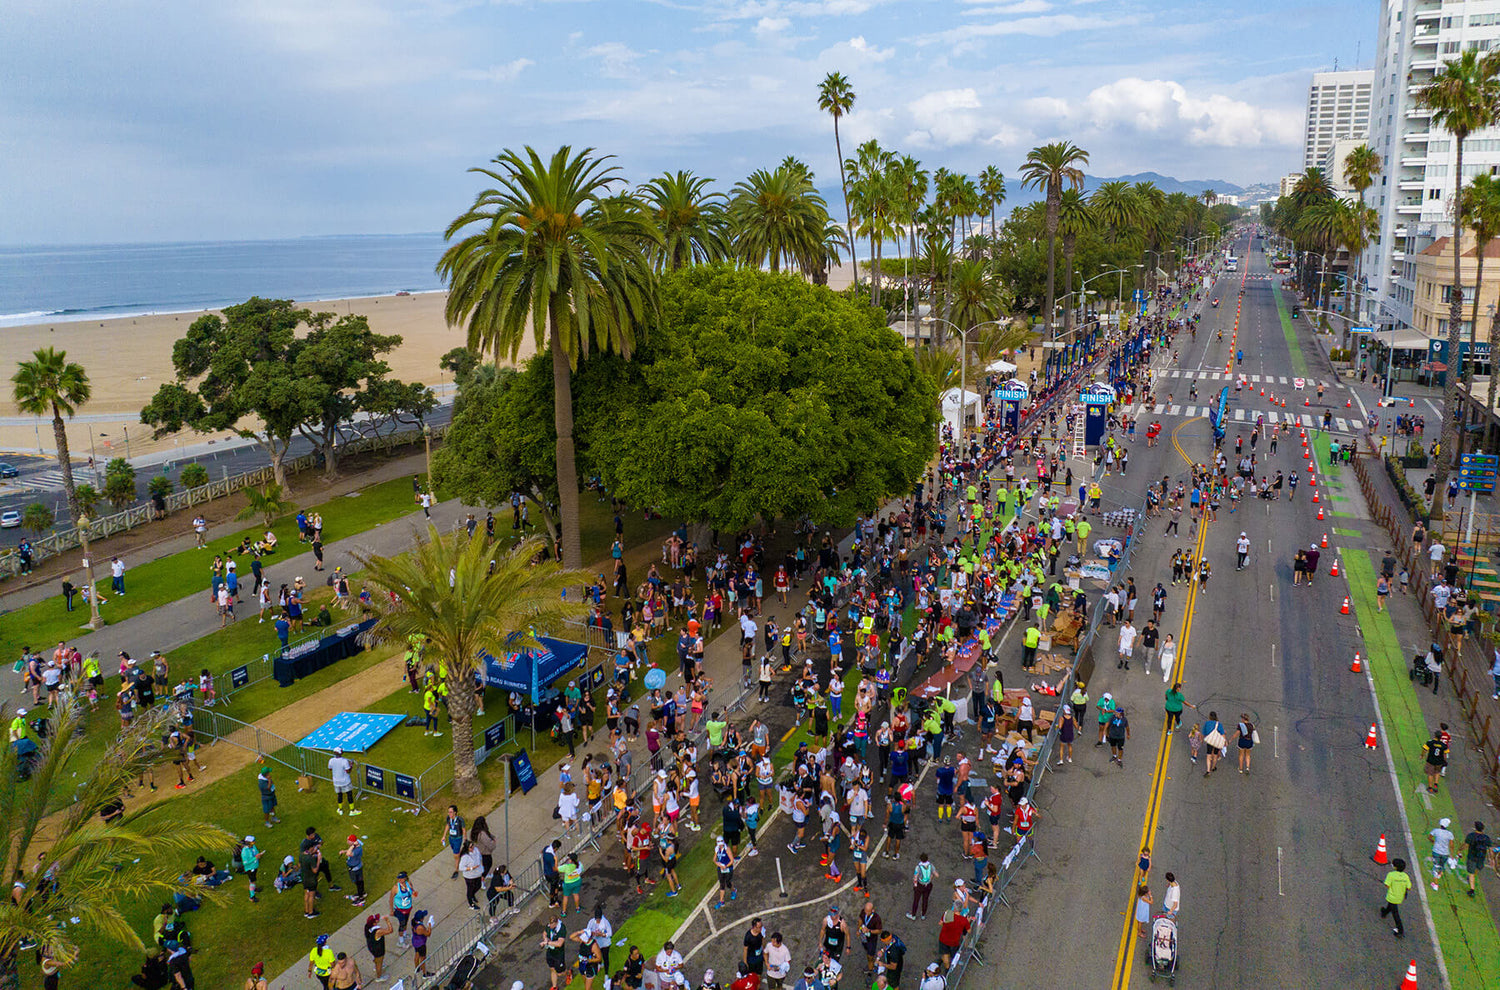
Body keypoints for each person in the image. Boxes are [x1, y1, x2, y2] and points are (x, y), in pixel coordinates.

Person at [1380, 858, 1412, 938]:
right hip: (1400, 897)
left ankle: (1400, 930)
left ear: (1395, 867)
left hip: (1392, 896)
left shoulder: (1391, 875)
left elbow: (1387, 885)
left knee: (1395, 914)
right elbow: (1409, 887)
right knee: (1391, 906)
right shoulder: (1405, 876)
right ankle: (1384, 912)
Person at [1461, 822, 1493, 898]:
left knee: (1471, 873)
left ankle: (1472, 890)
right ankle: (1472, 878)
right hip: (1481, 858)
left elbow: (1465, 845)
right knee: (1476, 870)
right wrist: (1491, 859)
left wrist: (1459, 850)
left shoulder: (1471, 836)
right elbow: (1490, 849)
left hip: (1472, 857)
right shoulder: (1486, 838)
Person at [328, 748, 359, 817]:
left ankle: (340, 809)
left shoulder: (331, 760)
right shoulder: (344, 761)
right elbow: (348, 771)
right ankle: (352, 810)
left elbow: (330, 768)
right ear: (340, 753)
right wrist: (351, 765)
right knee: (349, 795)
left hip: (336, 781)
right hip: (345, 781)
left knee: (339, 795)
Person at [389, 871, 416, 947]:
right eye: (399, 878)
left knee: (406, 921)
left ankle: (404, 934)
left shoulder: (409, 884)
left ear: (405, 878)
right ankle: (400, 941)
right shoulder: (395, 888)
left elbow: (412, 891)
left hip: (408, 908)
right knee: (402, 923)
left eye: (401, 878)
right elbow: (391, 899)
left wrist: (413, 893)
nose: (399, 880)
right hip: (399, 909)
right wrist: (391, 910)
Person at [364, 913, 393, 983]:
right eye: (376, 919)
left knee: (376, 959)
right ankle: (379, 976)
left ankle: (377, 965)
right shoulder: (378, 931)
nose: (378, 919)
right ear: (374, 923)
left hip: (372, 947)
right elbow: (390, 930)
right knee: (379, 963)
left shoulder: (367, 927)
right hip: (378, 950)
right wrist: (387, 920)